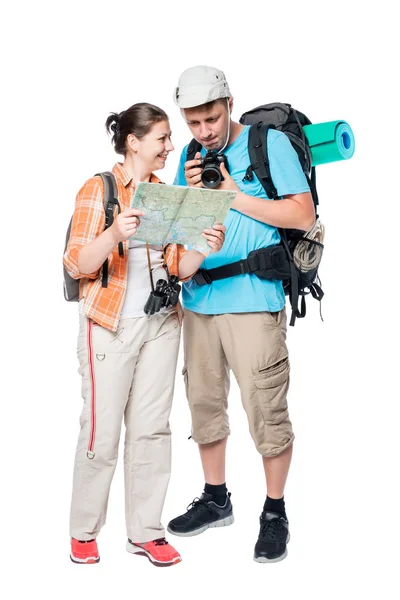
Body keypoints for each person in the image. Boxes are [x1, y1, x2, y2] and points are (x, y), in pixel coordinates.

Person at [64, 102, 226, 567]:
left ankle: (146, 531)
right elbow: (78, 264)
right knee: (102, 429)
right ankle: (84, 531)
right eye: (162, 139)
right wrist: (115, 232)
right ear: (134, 142)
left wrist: (201, 247)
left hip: (161, 323)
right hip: (109, 325)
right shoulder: (99, 189)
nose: (170, 147)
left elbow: (177, 267)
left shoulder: (166, 194)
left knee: (153, 430)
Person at [167, 67, 315, 563]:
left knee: (265, 411)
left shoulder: (266, 143)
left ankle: (274, 512)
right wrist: (195, 201)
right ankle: (216, 498)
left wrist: (234, 194)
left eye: (211, 117)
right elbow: (178, 229)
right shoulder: (189, 158)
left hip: (254, 299)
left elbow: (302, 214)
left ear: (229, 102)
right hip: (201, 301)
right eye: (193, 122)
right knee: (204, 405)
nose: (205, 131)